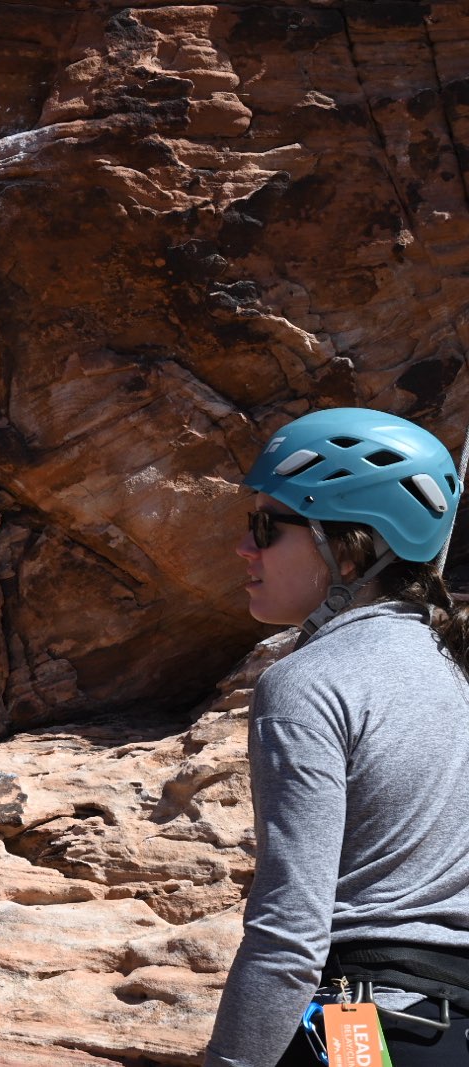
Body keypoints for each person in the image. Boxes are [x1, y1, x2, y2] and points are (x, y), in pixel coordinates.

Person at [205, 407, 469, 1066]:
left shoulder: (308, 682)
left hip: (358, 1025)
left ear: (348, 544)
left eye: (266, 526)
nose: (245, 547)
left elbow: (290, 937)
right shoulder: (456, 671)